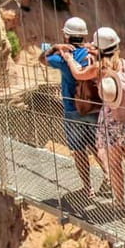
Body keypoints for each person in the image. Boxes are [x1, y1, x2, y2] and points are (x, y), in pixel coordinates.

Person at [64, 26, 125, 206]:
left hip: (111, 120)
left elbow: (78, 73)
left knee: (114, 165)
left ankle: (119, 202)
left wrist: (69, 58)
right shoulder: (124, 63)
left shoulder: (99, 67)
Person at [39, 17, 102, 196]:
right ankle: (110, 179)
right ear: (84, 36)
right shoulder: (93, 53)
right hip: (95, 107)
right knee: (98, 147)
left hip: (73, 110)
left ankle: (87, 188)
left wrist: (56, 47)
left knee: (79, 150)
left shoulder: (63, 57)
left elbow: (42, 58)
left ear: (66, 36)